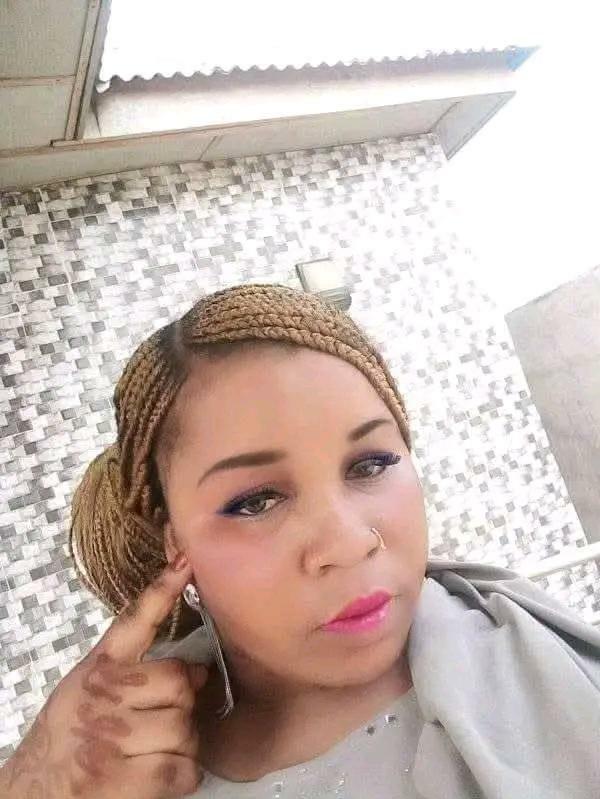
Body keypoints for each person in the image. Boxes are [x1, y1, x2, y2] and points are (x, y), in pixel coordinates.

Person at [1, 282, 599, 799]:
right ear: (174, 542)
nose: (348, 542)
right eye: (256, 501)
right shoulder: (106, 761)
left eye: (370, 464)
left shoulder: (536, 671)